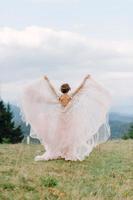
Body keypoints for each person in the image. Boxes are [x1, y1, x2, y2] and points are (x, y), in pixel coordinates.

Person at [20, 74, 111, 161]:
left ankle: (61, 151)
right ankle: (67, 153)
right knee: (69, 136)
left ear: (61, 90)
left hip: (60, 118)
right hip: (70, 118)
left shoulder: (59, 97)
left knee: (60, 135)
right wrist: (85, 79)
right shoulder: (70, 96)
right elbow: (80, 88)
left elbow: (52, 89)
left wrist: (47, 81)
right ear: (68, 90)